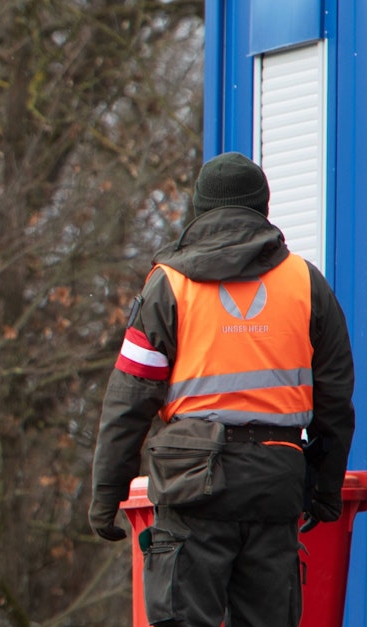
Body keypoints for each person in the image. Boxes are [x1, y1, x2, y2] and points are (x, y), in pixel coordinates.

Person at [89, 152, 355, 626]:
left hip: (191, 489)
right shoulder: (305, 284)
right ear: (263, 209)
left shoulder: (167, 286)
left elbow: (130, 399)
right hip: (274, 486)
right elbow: (335, 399)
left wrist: (106, 494)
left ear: (198, 209)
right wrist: (324, 489)